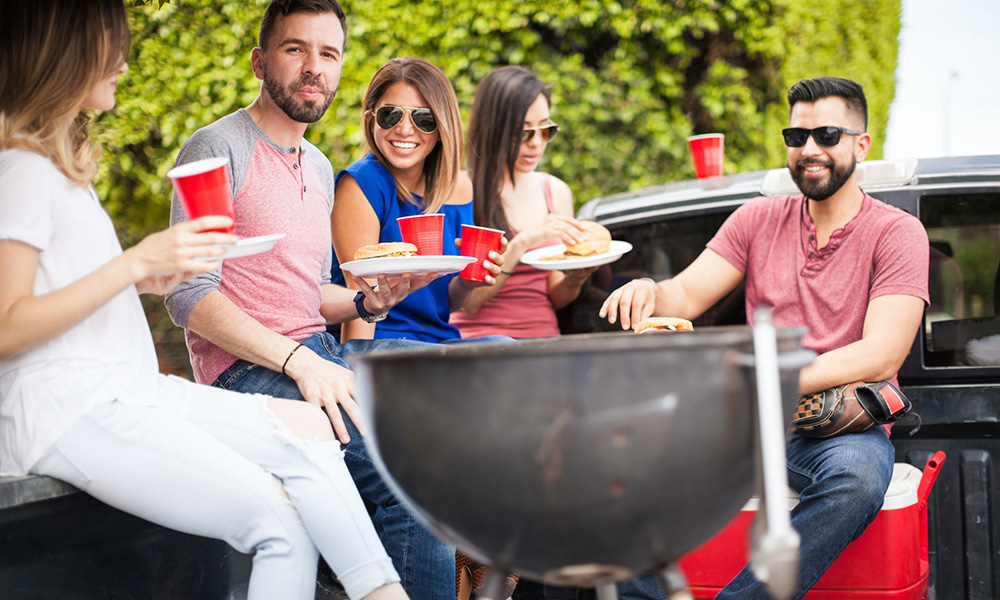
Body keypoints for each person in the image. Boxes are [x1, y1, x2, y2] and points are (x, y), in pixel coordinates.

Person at [0, 2, 408, 600]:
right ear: (65, 56)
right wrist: (135, 263)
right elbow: (8, 325)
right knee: (279, 527)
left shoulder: (58, 171)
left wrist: (144, 277)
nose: (122, 61)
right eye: (111, 46)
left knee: (310, 438)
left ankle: (384, 593)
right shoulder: (21, 169)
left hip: (132, 389)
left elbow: (68, 292)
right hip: (71, 407)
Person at [163, 2, 455, 598]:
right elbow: (188, 294)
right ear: (260, 61)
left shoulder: (318, 166)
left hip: (319, 355)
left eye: (328, 54)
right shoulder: (216, 148)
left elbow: (305, 295)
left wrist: (368, 303)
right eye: (296, 49)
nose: (313, 68)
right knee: (405, 477)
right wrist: (299, 362)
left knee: (444, 417)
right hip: (248, 373)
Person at [599, 76, 929, 599]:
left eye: (827, 135)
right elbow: (683, 295)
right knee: (616, 468)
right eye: (797, 137)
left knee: (860, 481)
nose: (809, 150)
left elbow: (883, 352)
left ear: (861, 144)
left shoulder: (897, 232)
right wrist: (646, 289)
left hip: (836, 427)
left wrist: (769, 379)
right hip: (743, 423)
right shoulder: (757, 218)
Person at [330, 57, 504, 343]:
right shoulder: (360, 184)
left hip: (437, 343)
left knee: (505, 350)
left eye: (423, 119)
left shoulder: (459, 187)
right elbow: (360, 298)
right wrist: (356, 374)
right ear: (370, 118)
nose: (405, 130)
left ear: (440, 129)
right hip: (381, 343)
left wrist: (467, 282)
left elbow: (445, 302)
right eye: (391, 115)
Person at [449, 66, 597, 340]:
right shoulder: (464, 189)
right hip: (479, 343)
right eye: (524, 133)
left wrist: (575, 278)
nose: (537, 143)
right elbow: (470, 302)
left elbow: (555, 294)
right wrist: (521, 243)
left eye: (546, 131)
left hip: (542, 340)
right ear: (493, 129)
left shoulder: (555, 191)